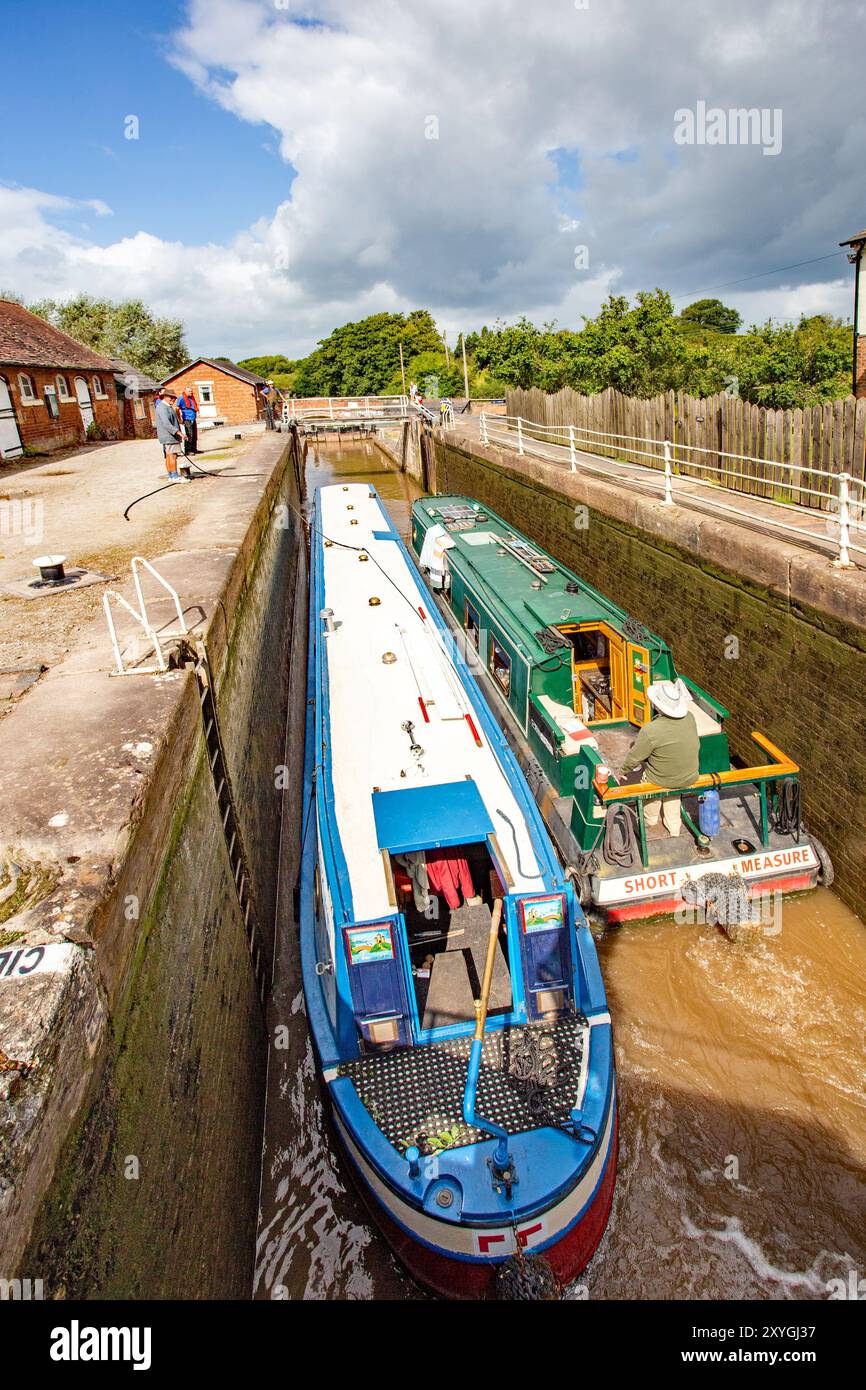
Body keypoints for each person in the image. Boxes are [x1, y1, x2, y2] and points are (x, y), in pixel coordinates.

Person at [621, 678, 699, 837]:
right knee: (673, 791)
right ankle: (674, 827)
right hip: (689, 776)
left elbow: (635, 758)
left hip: (662, 779)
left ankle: (649, 819)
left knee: (651, 782)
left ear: (657, 706)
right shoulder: (690, 717)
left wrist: (622, 771)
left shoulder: (651, 730)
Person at [155, 390, 189, 483]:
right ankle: (174, 476)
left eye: (174, 398)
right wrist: (179, 433)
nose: (173, 399)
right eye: (171, 397)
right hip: (169, 436)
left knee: (169, 455)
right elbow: (166, 424)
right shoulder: (162, 408)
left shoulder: (167, 407)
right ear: (165, 396)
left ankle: (171, 475)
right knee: (172, 456)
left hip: (169, 436)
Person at [176, 387, 199, 454]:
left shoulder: (192, 398)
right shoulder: (181, 398)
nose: (191, 392)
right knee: (189, 434)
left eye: (192, 391)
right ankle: (188, 450)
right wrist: (179, 419)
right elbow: (177, 409)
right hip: (187, 418)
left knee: (194, 434)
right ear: (185, 391)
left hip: (193, 418)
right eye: (189, 391)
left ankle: (194, 449)